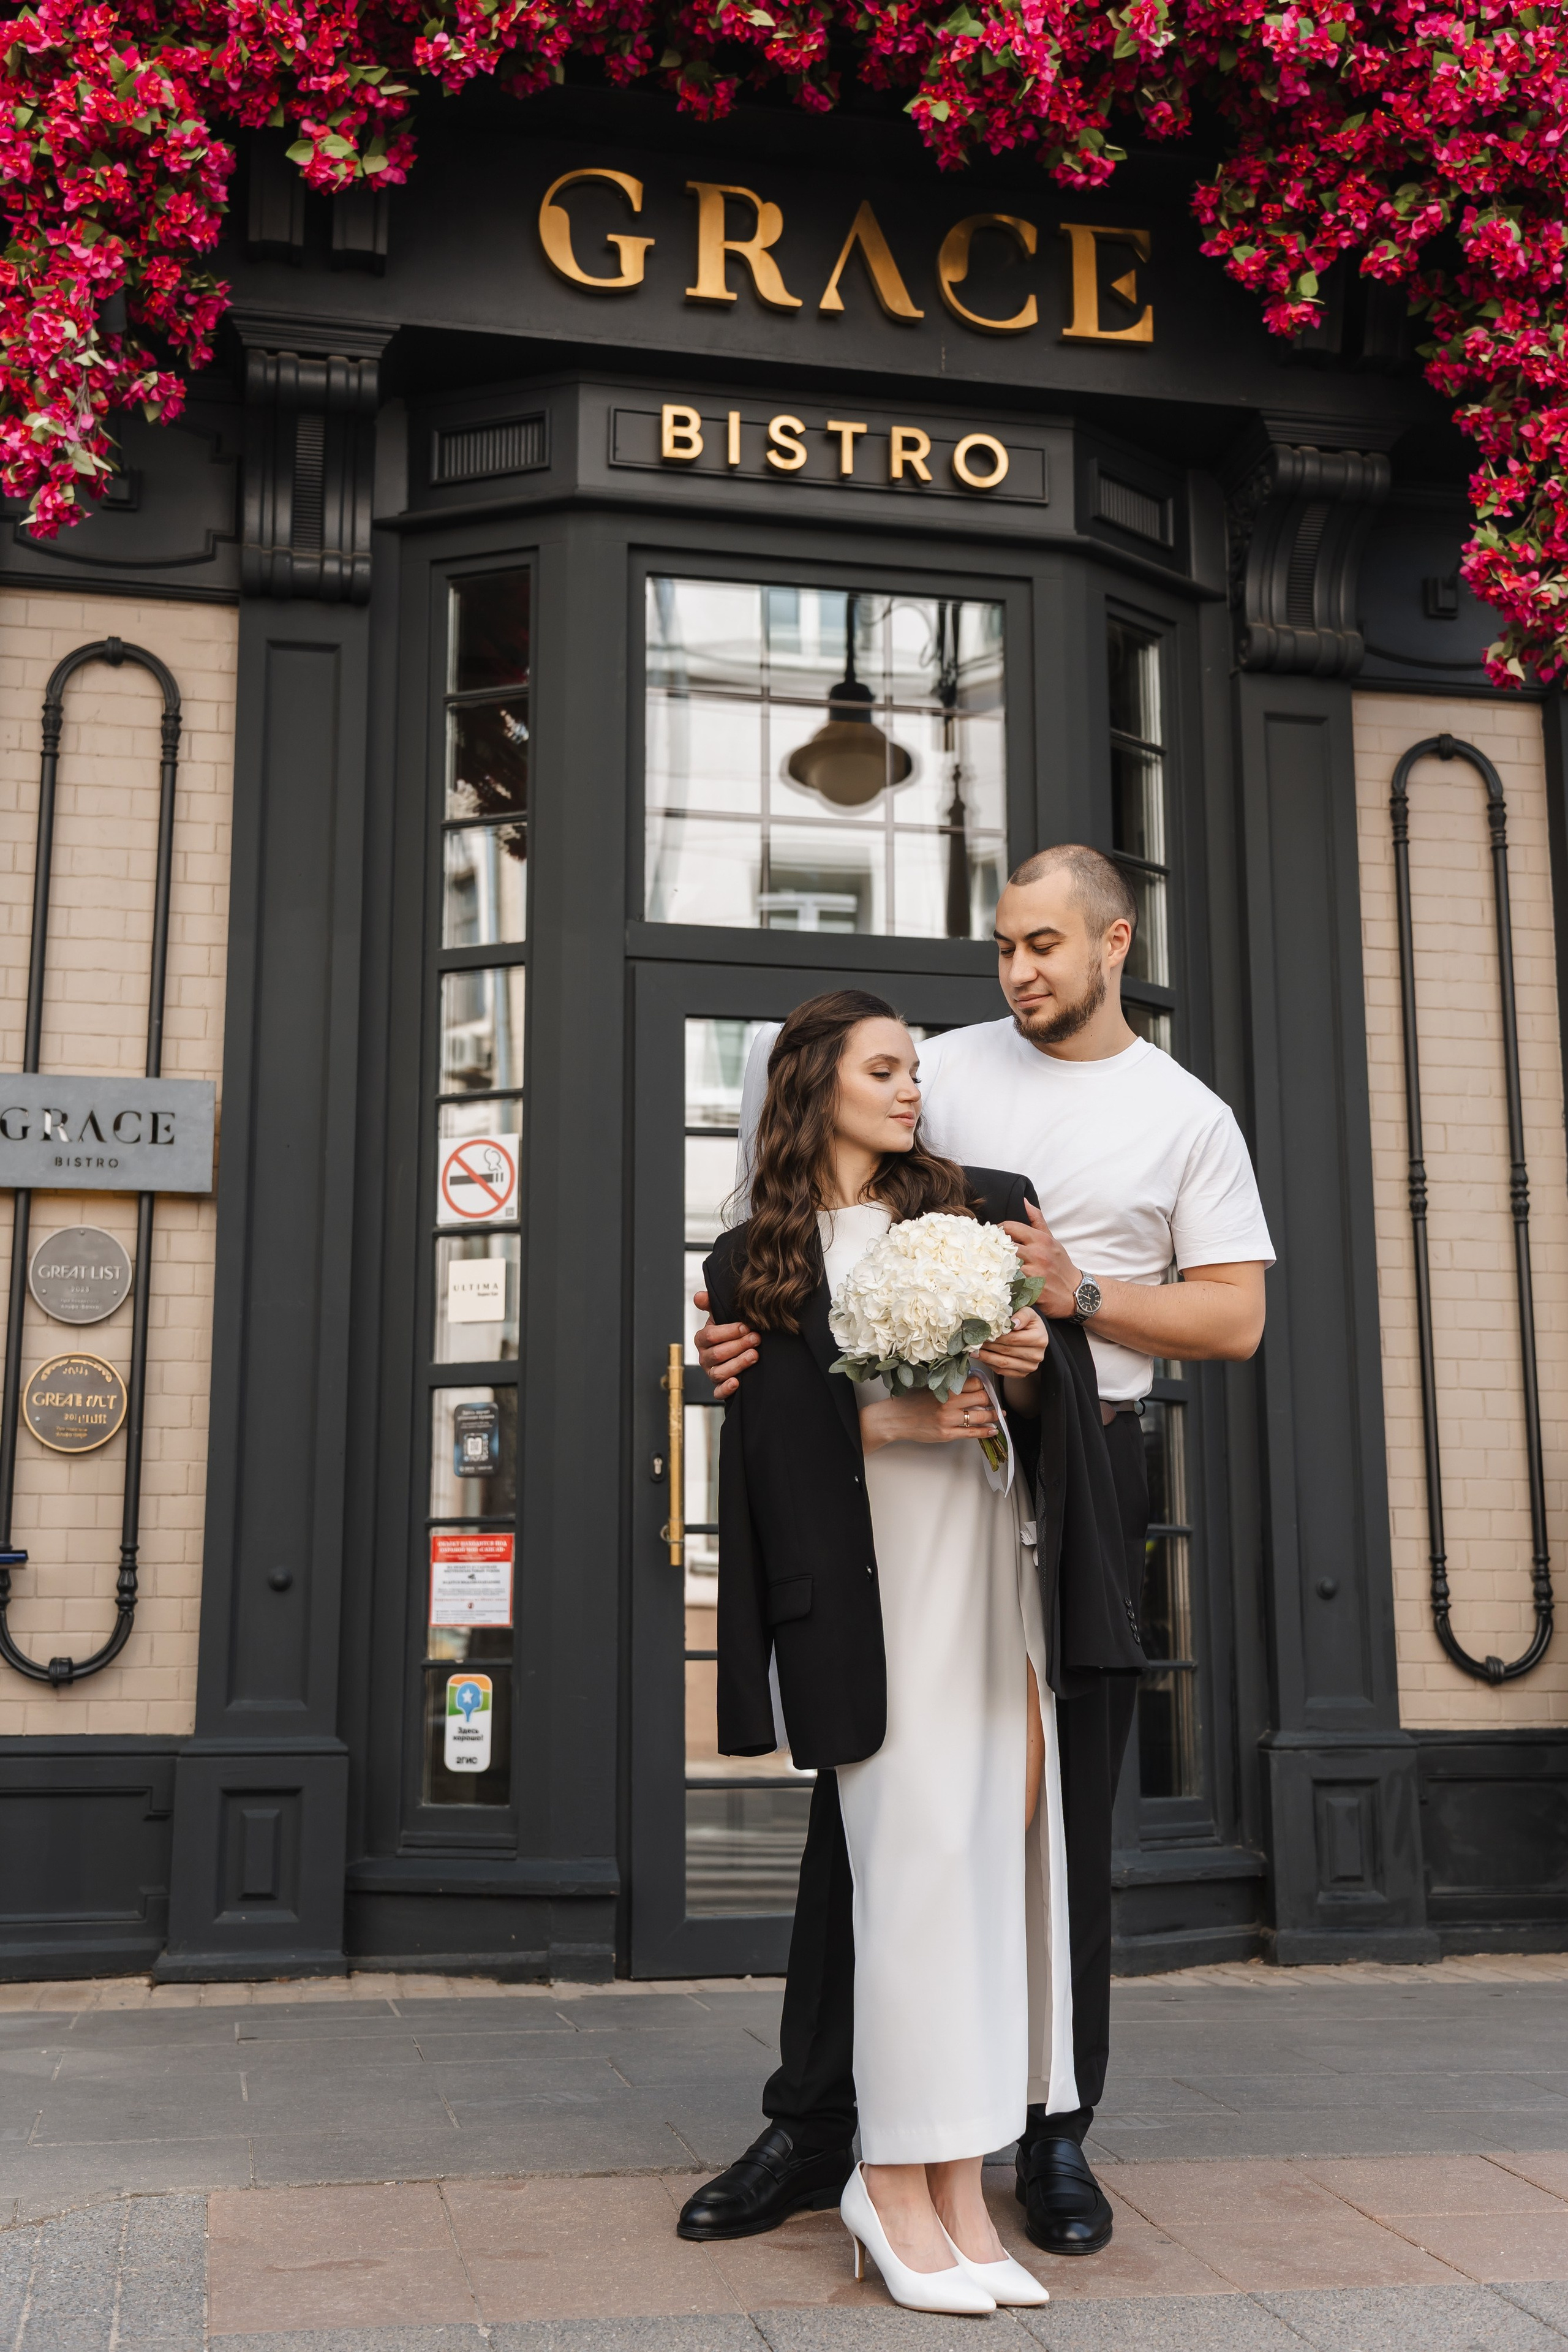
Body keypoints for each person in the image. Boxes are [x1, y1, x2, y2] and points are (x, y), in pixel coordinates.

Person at [681, 845, 1274, 2260]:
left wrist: (1079, 1298)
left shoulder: (1184, 1116)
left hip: (1072, 1454)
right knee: (871, 1815)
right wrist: (748, 1356)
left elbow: (1234, 1322)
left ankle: (1049, 2135)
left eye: (1043, 947)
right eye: (1004, 946)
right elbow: (804, 1218)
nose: (1017, 972)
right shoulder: (935, 1065)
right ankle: (819, 2119)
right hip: (901, 1478)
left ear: (1113, 942)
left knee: (1048, 1814)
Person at [704, 984, 1095, 2313]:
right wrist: (868, 1430)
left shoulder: (979, 1201)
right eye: (884, 1068)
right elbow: (758, 1449)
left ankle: (949, 2192)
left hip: (984, 1577)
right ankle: (885, 2177)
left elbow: (1045, 1394)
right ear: (812, 1083)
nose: (911, 1087)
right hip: (868, 1602)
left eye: (915, 1068)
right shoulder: (750, 1260)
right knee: (914, 1875)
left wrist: (1035, 1353)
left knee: (984, 1871)